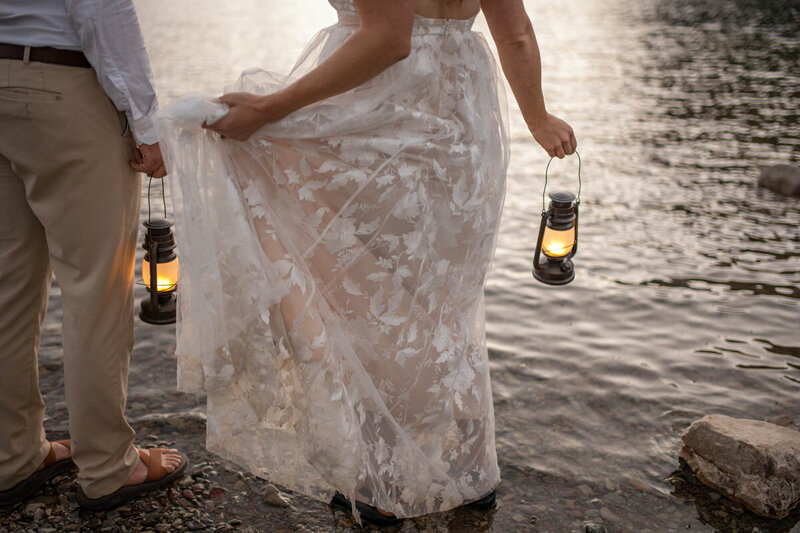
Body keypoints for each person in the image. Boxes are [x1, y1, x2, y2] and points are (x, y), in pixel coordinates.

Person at [157, 0, 576, 526]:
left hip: (387, 124)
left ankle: (384, 483)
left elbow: (388, 39)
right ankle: (469, 474)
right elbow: (513, 35)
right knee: (445, 307)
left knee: (370, 306)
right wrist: (538, 117)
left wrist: (269, 109)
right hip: (466, 128)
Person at [0, 0, 187, 511]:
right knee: (94, 287)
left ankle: (11, 457)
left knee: (7, 288)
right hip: (61, 87)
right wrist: (147, 125)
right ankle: (107, 466)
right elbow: (102, 8)